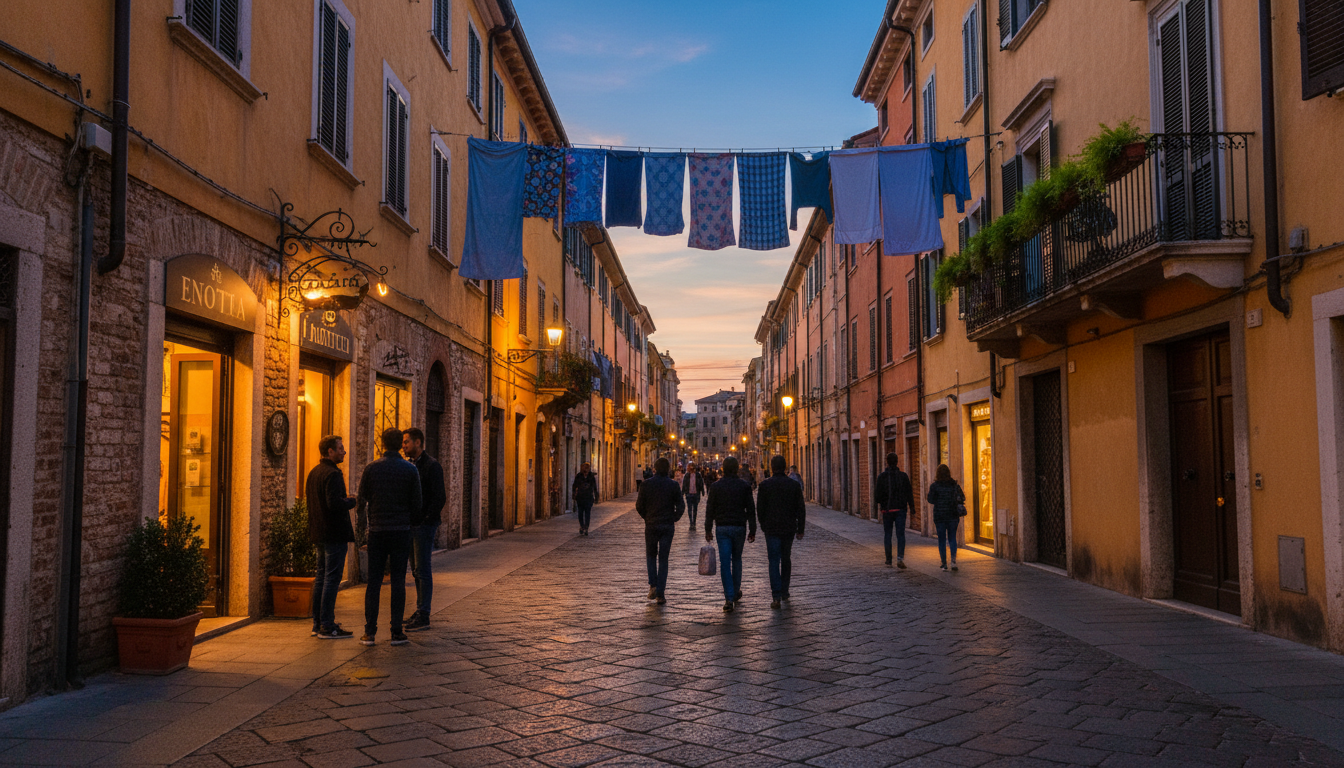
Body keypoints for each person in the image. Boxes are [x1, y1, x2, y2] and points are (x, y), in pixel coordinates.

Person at [356, 427, 423, 646]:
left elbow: (361, 501)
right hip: (400, 532)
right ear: (399, 445)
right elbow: (417, 504)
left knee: (373, 583)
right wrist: (409, 523)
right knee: (398, 582)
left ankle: (369, 632)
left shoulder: (371, 469)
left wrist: (362, 531)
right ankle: (396, 631)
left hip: (377, 532)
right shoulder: (410, 470)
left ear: (383, 444)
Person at [306, 435, 356, 639]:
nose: (344, 451)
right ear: (330, 451)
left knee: (321, 577)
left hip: (319, 532)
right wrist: (351, 501)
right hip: (334, 533)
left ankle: (317, 623)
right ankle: (327, 625)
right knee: (331, 579)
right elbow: (334, 504)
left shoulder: (314, 473)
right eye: (340, 448)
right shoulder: (333, 474)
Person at [402, 428, 446, 632]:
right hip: (412, 524)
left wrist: (426, 519)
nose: (404, 446)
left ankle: (424, 614)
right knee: (416, 570)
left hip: (424, 526)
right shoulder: (410, 465)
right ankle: (420, 610)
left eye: (406, 442)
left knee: (423, 569)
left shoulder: (432, 466)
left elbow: (439, 497)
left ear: (418, 442)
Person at [704, 455, 756, 613]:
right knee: (737, 560)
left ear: (723, 469)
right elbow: (751, 510)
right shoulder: (744, 486)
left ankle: (729, 597)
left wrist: (708, 529)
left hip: (722, 528)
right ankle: (735, 591)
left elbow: (710, 510)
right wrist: (752, 530)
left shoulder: (716, 486)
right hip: (739, 527)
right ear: (737, 469)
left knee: (725, 563)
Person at [756, 455, 805, 609]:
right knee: (786, 558)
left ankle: (776, 596)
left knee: (773, 561)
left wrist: (764, 525)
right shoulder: (794, 486)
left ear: (771, 467)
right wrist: (800, 529)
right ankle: (785, 591)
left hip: (771, 529)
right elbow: (801, 509)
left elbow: (760, 509)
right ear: (785, 468)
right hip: (788, 528)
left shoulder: (765, 485)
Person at [635, 457, 685, 605]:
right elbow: (681, 506)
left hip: (651, 524)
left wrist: (647, 517)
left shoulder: (646, 485)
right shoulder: (673, 485)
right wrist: (674, 518)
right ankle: (660, 593)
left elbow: (639, 506)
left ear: (655, 469)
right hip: (667, 526)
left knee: (651, 555)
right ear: (668, 469)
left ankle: (653, 585)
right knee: (663, 558)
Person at [875, 452, 915, 569]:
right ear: (897, 462)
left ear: (887, 462)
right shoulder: (903, 476)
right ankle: (900, 558)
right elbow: (909, 493)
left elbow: (877, 496)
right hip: (900, 509)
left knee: (888, 534)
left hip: (887, 510)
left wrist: (882, 503)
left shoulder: (882, 477)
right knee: (900, 534)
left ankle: (888, 560)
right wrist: (912, 507)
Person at [927, 463, 967, 571]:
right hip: (953, 515)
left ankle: (944, 564)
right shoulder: (954, 485)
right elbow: (963, 497)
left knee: (941, 540)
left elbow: (930, 500)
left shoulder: (934, 486)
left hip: (939, 516)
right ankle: (953, 562)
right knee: (952, 538)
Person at [572, 462, 598, 535]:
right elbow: (574, 486)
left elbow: (594, 487)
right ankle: (582, 526)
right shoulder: (579, 476)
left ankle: (586, 527)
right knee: (580, 513)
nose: (585, 469)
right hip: (580, 498)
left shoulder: (591, 476)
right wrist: (574, 494)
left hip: (588, 497)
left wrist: (596, 496)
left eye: (587, 468)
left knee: (587, 513)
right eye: (584, 468)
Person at [681, 463, 705, 531]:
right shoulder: (687, 475)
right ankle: (691, 523)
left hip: (696, 494)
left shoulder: (698, 475)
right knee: (689, 509)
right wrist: (683, 492)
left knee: (695, 509)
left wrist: (702, 491)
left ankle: (694, 523)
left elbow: (701, 483)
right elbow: (684, 484)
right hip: (689, 494)